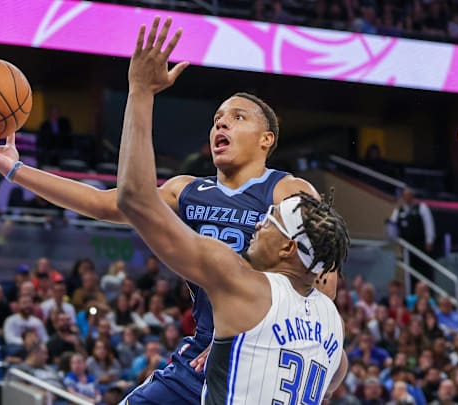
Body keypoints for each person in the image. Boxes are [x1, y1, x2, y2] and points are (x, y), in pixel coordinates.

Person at [0, 16, 337, 405]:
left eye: (238, 117)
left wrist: (252, 335)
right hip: (200, 354)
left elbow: (319, 278)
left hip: (256, 348)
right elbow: (103, 202)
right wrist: (15, 169)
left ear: (266, 139)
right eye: (217, 118)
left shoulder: (288, 190)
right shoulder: (187, 190)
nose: (222, 121)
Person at [115, 17, 348, 404]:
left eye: (271, 222)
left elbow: (136, 198)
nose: (261, 226)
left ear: (290, 247)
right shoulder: (330, 327)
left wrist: (140, 91)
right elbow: (336, 370)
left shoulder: (240, 279)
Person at [388, 188, 435, 284]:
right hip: (406, 247)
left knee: (423, 270)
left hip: (421, 246)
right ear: (403, 197)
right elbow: (392, 227)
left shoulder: (421, 207)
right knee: (409, 272)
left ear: (413, 196)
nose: (408, 198)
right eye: (405, 196)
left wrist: (429, 241)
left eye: (410, 195)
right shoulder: (398, 211)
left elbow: (429, 225)